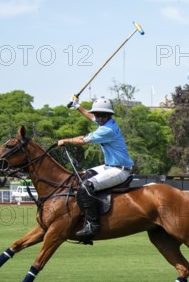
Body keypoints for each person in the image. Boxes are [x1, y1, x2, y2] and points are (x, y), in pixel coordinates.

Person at [57, 97, 134, 240]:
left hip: (120, 170)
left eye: (102, 115)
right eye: (98, 114)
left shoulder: (107, 130)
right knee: (81, 176)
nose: (99, 118)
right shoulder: (105, 122)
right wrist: (77, 105)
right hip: (108, 166)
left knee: (87, 186)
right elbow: (90, 115)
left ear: (109, 115)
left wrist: (65, 140)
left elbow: (81, 141)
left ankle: (92, 225)